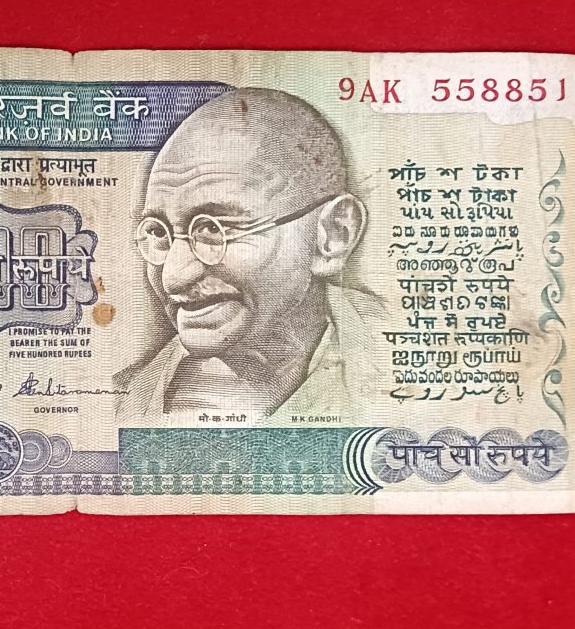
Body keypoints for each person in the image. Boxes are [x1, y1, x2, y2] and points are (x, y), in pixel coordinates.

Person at [116, 87, 384, 424]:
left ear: (333, 234)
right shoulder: (121, 405)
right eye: (159, 233)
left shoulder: (405, 356)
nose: (173, 277)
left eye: (214, 228)